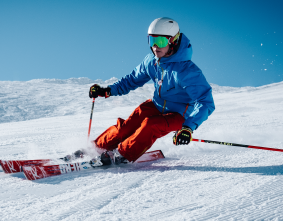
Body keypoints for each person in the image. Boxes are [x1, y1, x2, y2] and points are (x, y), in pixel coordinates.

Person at [88, 17, 215, 166]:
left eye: (160, 41)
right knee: (127, 126)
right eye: (151, 41)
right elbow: (131, 80)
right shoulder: (151, 61)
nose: (155, 46)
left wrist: (188, 127)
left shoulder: (186, 71)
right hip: (156, 105)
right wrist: (107, 90)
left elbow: (205, 102)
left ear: (173, 41)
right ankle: (94, 148)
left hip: (179, 115)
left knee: (151, 125)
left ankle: (121, 155)